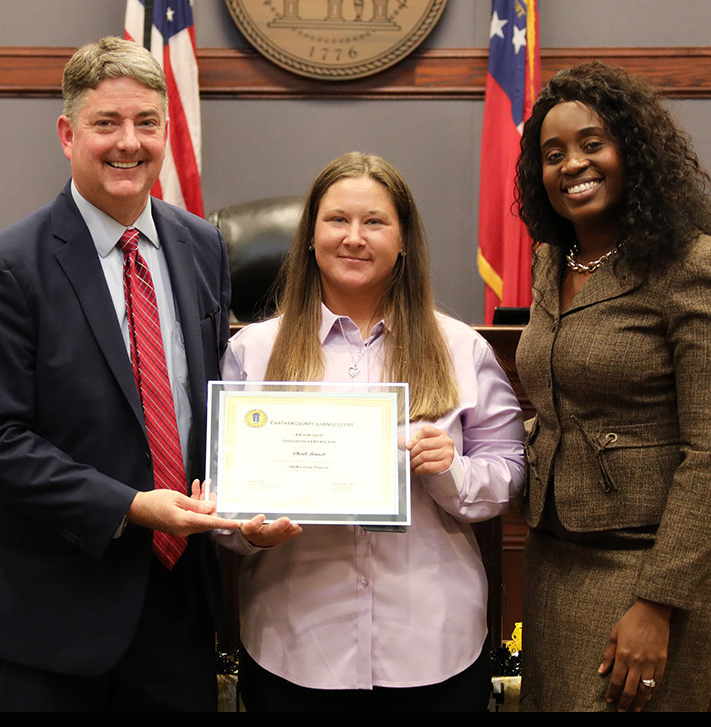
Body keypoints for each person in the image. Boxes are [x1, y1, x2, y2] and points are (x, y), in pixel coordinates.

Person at [0, 37, 239, 711]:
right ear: (68, 133)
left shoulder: (202, 246)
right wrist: (131, 507)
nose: (128, 143)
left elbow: (213, 403)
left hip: (177, 605)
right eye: (106, 123)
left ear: (166, 131)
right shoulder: (6, 267)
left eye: (145, 122)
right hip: (52, 613)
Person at [215, 152, 525, 711]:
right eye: (337, 219)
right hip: (295, 644)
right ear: (310, 236)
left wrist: (451, 469)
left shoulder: (461, 349)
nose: (354, 237)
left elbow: (509, 472)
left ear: (403, 240)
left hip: (431, 645)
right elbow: (222, 493)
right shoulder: (252, 352)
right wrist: (248, 532)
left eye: (374, 222)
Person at [513, 61, 711, 712]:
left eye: (592, 143)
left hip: (655, 561)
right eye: (553, 154)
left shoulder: (699, 266)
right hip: (557, 550)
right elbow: (561, 407)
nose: (572, 164)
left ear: (636, 152)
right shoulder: (551, 261)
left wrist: (657, 602)